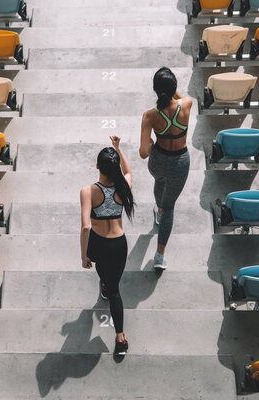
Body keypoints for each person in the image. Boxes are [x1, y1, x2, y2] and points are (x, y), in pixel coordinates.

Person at [80, 136, 134, 356]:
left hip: (97, 242)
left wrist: (83, 255)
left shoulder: (88, 191)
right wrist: (119, 149)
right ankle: (120, 338)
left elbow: (85, 227)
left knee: (107, 281)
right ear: (115, 169)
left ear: (97, 167)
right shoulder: (124, 186)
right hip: (118, 244)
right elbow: (129, 172)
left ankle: (105, 284)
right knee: (114, 288)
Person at [139, 67, 192, 270]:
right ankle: (159, 256)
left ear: (154, 90)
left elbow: (144, 152)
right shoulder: (187, 105)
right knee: (171, 206)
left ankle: (159, 211)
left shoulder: (150, 115)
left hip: (159, 160)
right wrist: (172, 90)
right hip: (180, 163)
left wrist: (152, 143)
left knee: (159, 181)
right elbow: (181, 97)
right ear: (174, 88)